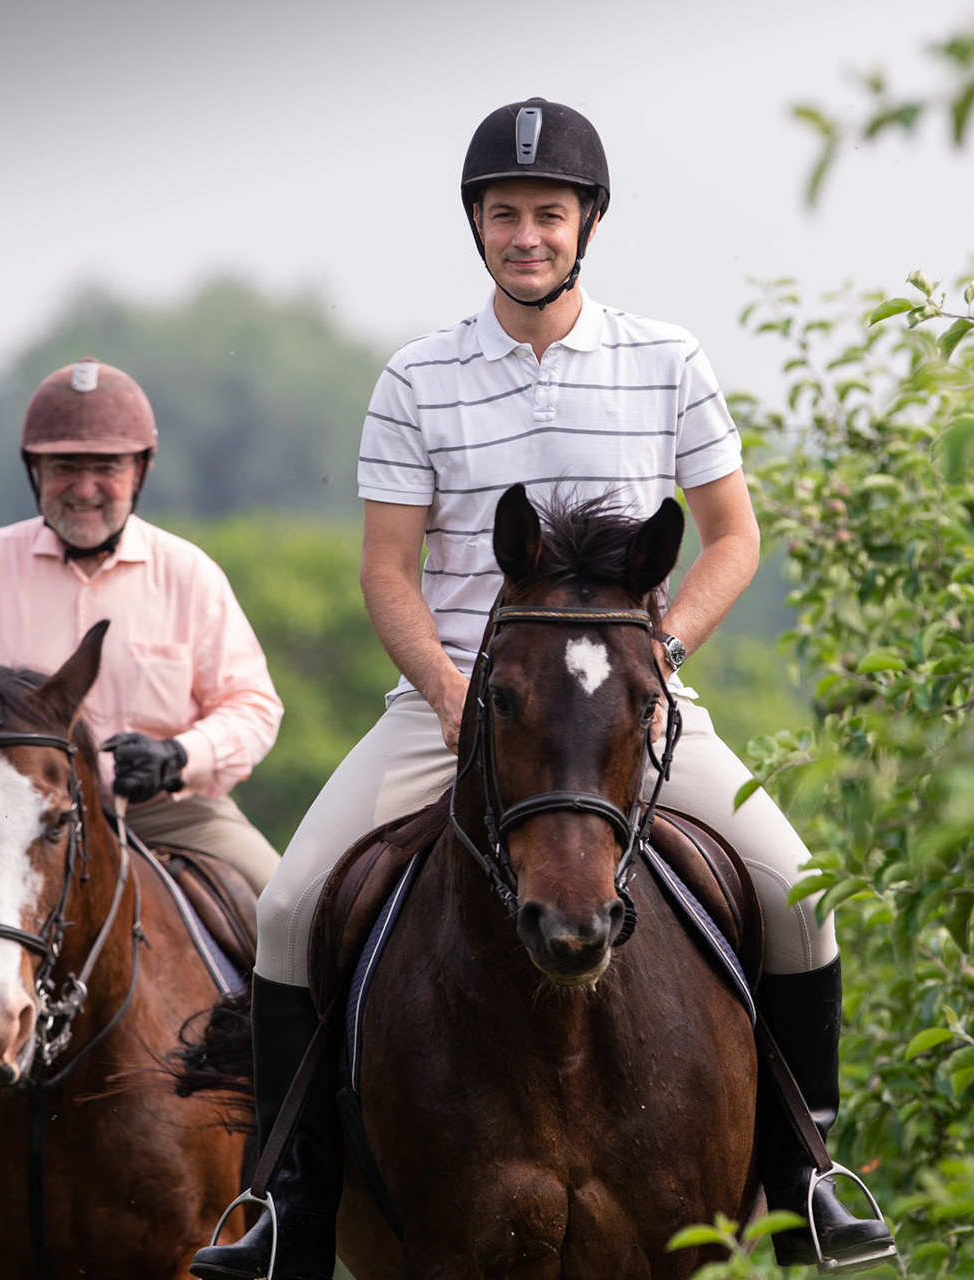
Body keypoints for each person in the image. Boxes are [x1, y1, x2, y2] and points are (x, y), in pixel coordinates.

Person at [190, 99, 894, 1280]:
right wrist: (456, 690)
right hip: (459, 707)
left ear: (589, 224)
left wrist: (660, 660)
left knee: (797, 891)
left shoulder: (666, 359)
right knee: (286, 906)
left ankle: (810, 1173)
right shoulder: (418, 378)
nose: (527, 234)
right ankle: (287, 1210)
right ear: (479, 228)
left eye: (547, 214)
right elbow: (387, 569)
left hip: (628, 708)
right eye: (505, 214)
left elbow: (732, 538)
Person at [0, 359, 285, 1279]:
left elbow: (252, 703)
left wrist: (183, 756)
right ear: (33, 473)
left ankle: (297, 1194)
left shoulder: (186, 574)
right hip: (22, 835)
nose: (85, 485)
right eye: (63, 467)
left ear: (140, 472)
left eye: (107, 467)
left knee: (296, 929)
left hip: (174, 818)